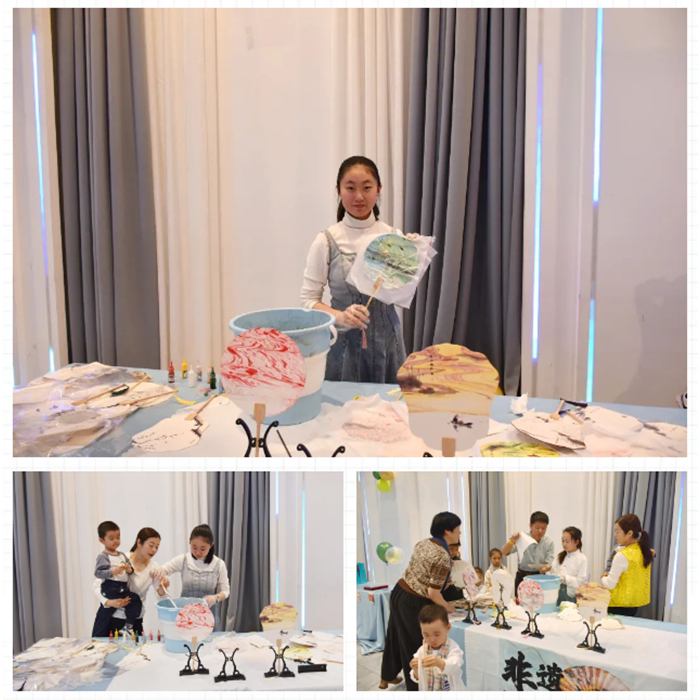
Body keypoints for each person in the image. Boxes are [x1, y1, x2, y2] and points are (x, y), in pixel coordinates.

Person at [300, 155, 417, 383]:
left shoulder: (393, 236)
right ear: (339, 190)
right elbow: (308, 300)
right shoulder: (326, 240)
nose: (359, 196)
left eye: (367, 187)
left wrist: (414, 253)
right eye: (350, 188)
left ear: (378, 189)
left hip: (389, 345)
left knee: (390, 404)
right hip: (344, 346)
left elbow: (402, 291)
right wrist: (341, 316)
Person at [380, 512, 461, 691]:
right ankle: (416, 689)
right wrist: (448, 606)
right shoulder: (442, 556)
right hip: (412, 601)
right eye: (458, 529)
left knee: (395, 636)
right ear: (447, 531)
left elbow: (423, 568)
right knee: (414, 647)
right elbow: (433, 593)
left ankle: (386, 676)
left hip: (399, 591)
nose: (460, 532)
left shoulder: (424, 543)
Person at [91, 527, 169, 638]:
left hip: (134, 622)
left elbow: (162, 599)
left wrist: (162, 588)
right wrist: (108, 602)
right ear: (139, 542)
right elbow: (97, 584)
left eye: (157, 547)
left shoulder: (155, 568)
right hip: (110, 619)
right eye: (151, 545)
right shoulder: (120, 558)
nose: (154, 550)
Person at [160, 524, 231, 630]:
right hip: (186, 616)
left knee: (210, 640)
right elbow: (163, 569)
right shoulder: (183, 560)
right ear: (189, 543)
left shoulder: (219, 564)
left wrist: (214, 598)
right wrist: (161, 575)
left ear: (211, 545)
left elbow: (226, 591)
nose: (198, 552)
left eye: (203, 548)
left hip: (208, 617)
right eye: (194, 547)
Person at [600, 513, 652, 616]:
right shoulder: (644, 551)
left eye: (617, 531)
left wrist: (603, 578)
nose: (615, 535)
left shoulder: (622, 555)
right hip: (634, 604)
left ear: (629, 533)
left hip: (618, 605)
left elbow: (610, 584)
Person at [93, 521, 141, 632]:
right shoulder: (103, 556)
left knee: (134, 600)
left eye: (118, 537)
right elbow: (98, 572)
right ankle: (97, 635)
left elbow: (130, 568)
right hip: (111, 587)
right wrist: (112, 572)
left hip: (123, 588)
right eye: (111, 538)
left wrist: (130, 570)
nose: (116, 541)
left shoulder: (122, 555)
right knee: (106, 612)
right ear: (102, 540)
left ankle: (128, 626)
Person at [409, 604, 466, 691]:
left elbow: (455, 664)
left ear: (448, 628)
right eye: (426, 635)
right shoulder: (422, 650)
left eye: (437, 634)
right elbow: (418, 678)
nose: (432, 639)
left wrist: (440, 663)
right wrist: (415, 670)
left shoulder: (453, 648)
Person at [502, 511, 555, 593]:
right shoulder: (521, 537)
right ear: (530, 526)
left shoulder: (549, 542)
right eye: (537, 527)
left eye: (543, 528)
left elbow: (548, 562)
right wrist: (512, 541)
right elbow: (504, 552)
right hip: (522, 577)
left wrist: (546, 568)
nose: (540, 531)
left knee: (540, 601)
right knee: (520, 601)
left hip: (539, 578)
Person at [543, 527, 589, 604]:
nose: (564, 544)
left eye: (567, 541)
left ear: (576, 542)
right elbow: (553, 570)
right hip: (557, 592)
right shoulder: (560, 556)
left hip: (571, 596)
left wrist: (566, 578)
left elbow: (581, 582)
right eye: (563, 541)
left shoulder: (582, 559)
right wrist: (547, 568)